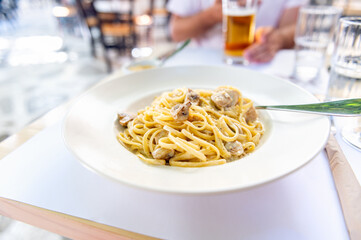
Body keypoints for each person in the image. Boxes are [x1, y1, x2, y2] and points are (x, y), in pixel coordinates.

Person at [167, 0, 308, 63]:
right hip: (200, 62)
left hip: (258, 64)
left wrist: (279, 38)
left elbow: (293, 28)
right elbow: (176, 32)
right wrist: (211, 16)